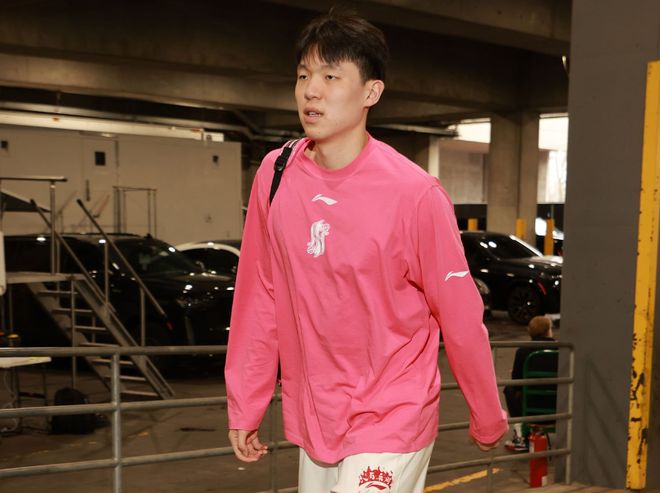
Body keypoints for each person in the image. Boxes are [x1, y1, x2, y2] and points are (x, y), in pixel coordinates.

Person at [225, 9, 508, 492]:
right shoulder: (276, 175)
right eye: (303, 76)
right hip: (318, 415)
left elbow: (460, 315)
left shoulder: (414, 194)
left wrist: (486, 412)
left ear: (371, 93)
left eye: (331, 76)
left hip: (393, 413)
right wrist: (245, 402)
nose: (311, 91)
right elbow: (260, 295)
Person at [503, 315, 557, 452]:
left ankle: (521, 434)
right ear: (548, 331)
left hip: (530, 407)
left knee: (509, 389)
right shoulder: (560, 349)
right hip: (557, 406)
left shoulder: (523, 351)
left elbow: (516, 383)